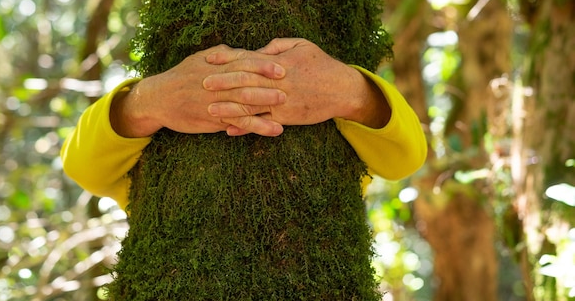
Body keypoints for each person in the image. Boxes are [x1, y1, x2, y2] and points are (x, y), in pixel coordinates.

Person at [61, 38, 427, 210]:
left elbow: (407, 157)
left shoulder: (347, 152)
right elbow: (80, 165)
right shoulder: (143, 169)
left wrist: (352, 92)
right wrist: (151, 101)